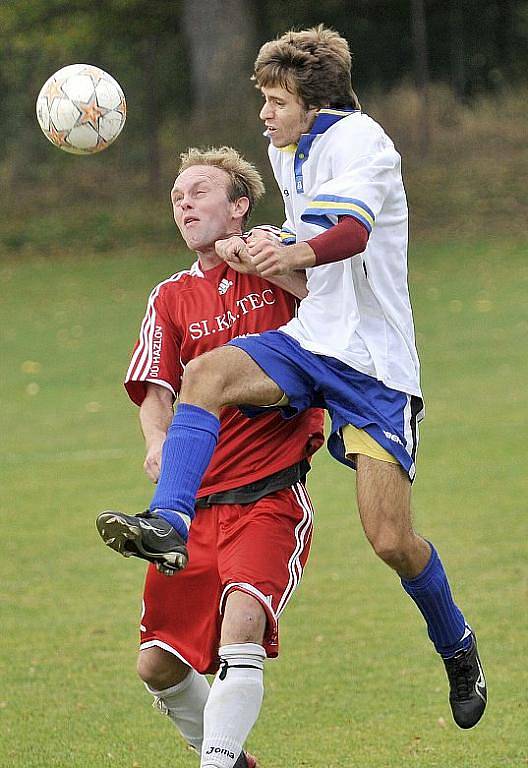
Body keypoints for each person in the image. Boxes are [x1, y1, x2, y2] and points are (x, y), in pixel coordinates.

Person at [98, 25, 487, 734]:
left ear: (316, 100)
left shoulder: (363, 142)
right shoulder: (289, 150)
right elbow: (306, 238)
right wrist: (270, 243)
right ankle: (171, 518)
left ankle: (456, 645)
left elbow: (350, 234)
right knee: (207, 373)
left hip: (373, 365)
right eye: (265, 99)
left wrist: (292, 251)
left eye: (276, 101)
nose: (264, 115)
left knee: (390, 540)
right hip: (312, 340)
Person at [96, 146, 324, 768]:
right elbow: (153, 385)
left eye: (199, 190)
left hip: (269, 495)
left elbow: (330, 307)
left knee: (242, 624)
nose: (185, 202)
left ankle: (215, 764)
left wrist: (254, 257)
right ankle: (232, 760)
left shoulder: (282, 253)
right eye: (177, 196)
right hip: (193, 506)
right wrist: (156, 442)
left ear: (239, 205)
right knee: (157, 664)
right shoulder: (169, 297)